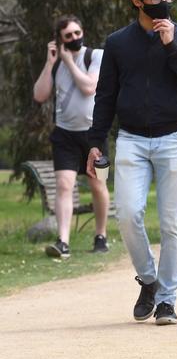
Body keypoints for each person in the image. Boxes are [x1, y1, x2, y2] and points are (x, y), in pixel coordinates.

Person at [86, 0, 177, 325]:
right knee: (126, 213)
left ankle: (168, 301)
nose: (164, 3)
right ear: (137, 1)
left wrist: (171, 46)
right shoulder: (117, 43)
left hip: (174, 137)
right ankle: (150, 280)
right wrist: (96, 142)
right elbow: (105, 95)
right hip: (132, 139)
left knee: (172, 224)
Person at [32, 15, 110, 259]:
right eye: (69, 36)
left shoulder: (95, 55)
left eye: (77, 33)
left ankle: (101, 235)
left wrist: (69, 60)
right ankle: (63, 242)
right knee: (64, 185)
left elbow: (89, 87)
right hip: (64, 136)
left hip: (95, 136)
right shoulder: (56, 64)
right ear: (60, 39)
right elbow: (39, 95)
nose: (75, 38)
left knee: (98, 185)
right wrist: (51, 62)